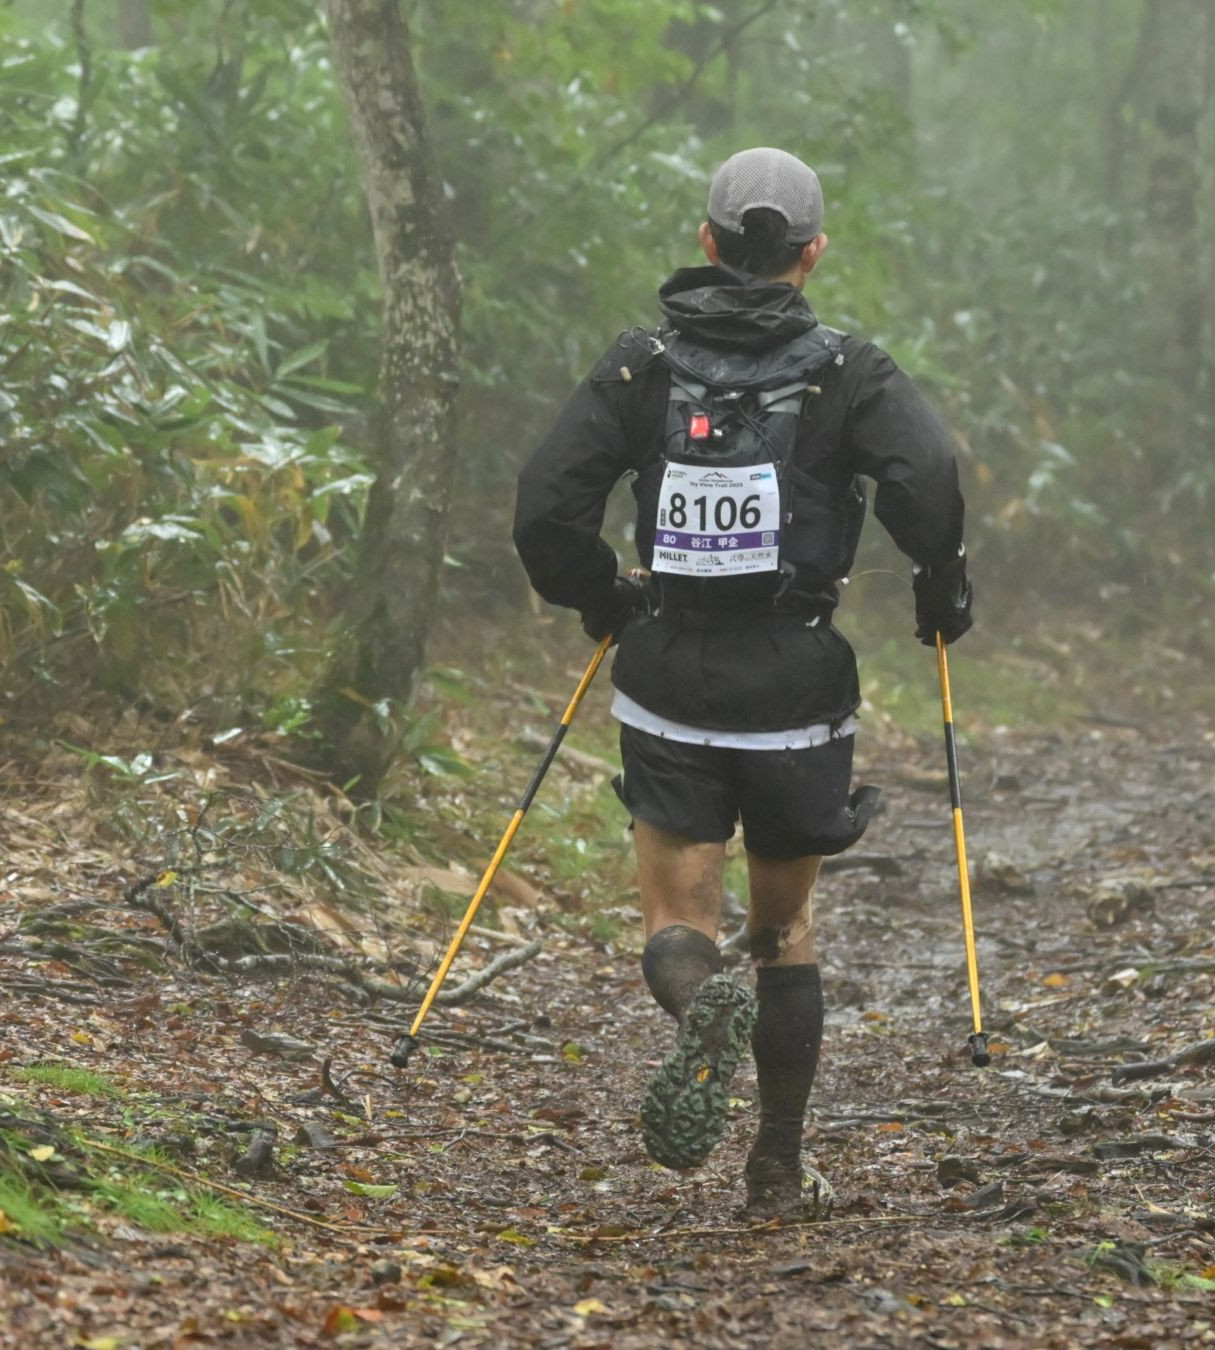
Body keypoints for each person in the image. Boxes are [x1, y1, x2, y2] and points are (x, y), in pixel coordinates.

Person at [513, 146, 973, 1218]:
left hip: (670, 672)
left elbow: (545, 506)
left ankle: (697, 997)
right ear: (812, 254)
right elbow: (930, 481)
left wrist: (598, 592)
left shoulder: (642, 367)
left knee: (681, 916)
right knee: (784, 931)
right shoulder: (850, 371)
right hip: (796, 688)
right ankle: (775, 1166)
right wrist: (940, 587)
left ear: (708, 244)